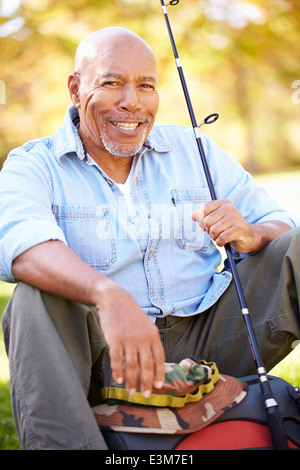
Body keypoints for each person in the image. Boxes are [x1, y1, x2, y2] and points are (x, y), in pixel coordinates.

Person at [0, 26, 299, 450]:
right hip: (105, 358)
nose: (132, 102)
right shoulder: (33, 165)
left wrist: (254, 232)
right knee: (32, 298)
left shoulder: (194, 149)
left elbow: (279, 220)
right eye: (110, 82)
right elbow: (22, 247)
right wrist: (109, 295)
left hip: (211, 338)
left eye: (146, 85)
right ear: (74, 88)